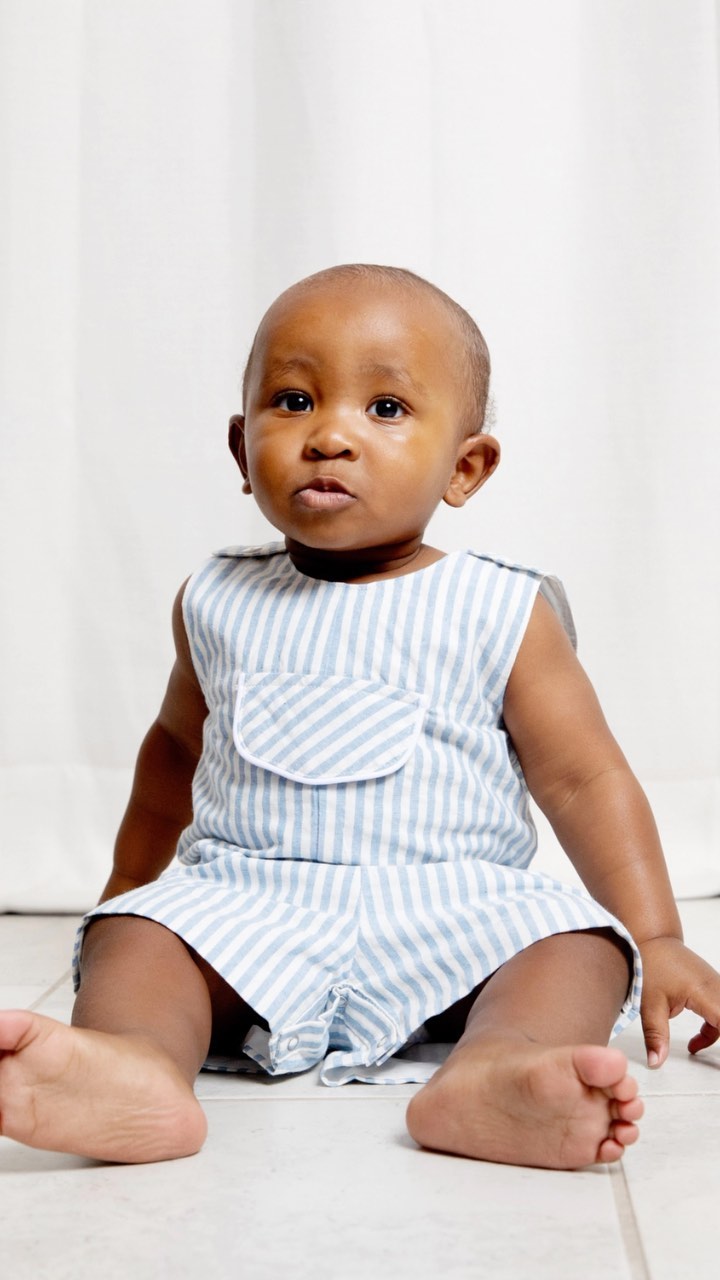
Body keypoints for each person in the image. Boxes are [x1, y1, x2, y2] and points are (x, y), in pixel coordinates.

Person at [1, 264, 719, 1171]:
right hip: (248, 905)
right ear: (241, 449)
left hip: (455, 909)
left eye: (385, 409)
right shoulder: (215, 598)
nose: (330, 435)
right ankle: (136, 1065)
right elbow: (175, 753)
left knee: (576, 947)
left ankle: (500, 1066)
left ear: (465, 467)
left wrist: (654, 935)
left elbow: (584, 779)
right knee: (140, 942)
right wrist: (126, 892)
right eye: (294, 400)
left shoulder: (501, 609)